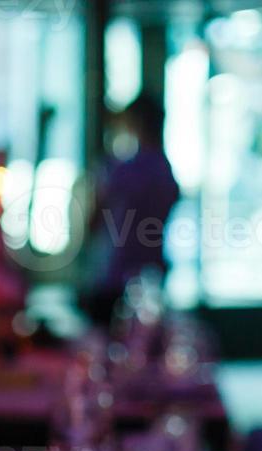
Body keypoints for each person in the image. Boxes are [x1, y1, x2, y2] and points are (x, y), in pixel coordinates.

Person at [82, 94, 181, 324]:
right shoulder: (165, 172)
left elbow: (93, 222)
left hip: (115, 276)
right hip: (153, 273)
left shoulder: (121, 171)